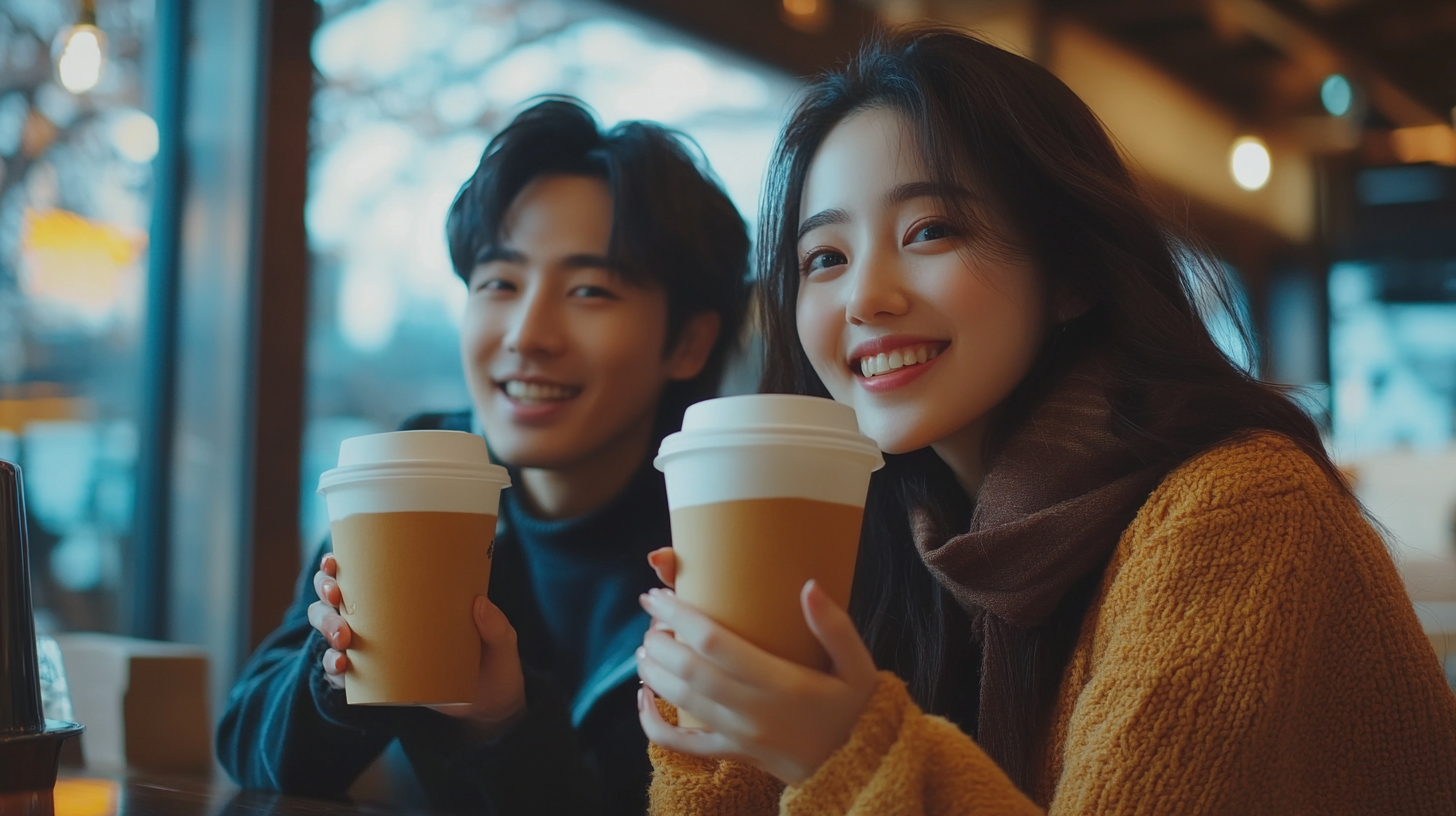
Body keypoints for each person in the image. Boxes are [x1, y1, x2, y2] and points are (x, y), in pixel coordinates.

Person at [634, 26, 1456, 815]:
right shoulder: (901, 539)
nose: (864, 297)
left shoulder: (1239, 510)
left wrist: (849, 752)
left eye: (929, 230)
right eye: (826, 258)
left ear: (1070, 274)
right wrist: (724, 718)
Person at [216, 98, 751, 816]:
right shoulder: (418, 481)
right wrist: (337, 670)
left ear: (689, 341)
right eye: (499, 282)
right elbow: (246, 748)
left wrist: (501, 727)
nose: (527, 335)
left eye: (590, 290)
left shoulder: (728, 543)